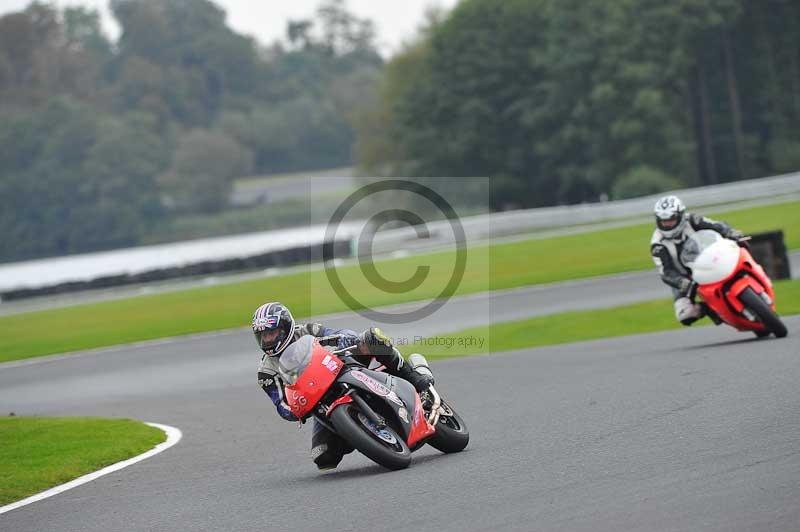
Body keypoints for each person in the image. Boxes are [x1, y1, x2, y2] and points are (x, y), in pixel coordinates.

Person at [252, 302, 434, 470]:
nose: (267, 340)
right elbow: (281, 403)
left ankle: (414, 377)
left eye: (271, 333)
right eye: (263, 336)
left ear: (285, 328)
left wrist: (346, 338)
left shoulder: (306, 330)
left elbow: (335, 333)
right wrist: (293, 411)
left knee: (371, 338)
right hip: (318, 401)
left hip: (339, 366)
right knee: (323, 457)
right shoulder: (266, 372)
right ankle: (359, 432)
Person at [650, 195, 746, 326]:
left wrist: (730, 232)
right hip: (686, 277)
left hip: (709, 259)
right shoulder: (657, 244)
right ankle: (709, 308)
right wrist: (682, 282)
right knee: (684, 315)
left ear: (680, 215)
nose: (667, 224)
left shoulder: (692, 220)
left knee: (740, 248)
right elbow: (666, 272)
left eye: (671, 219)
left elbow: (716, 225)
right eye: (663, 221)